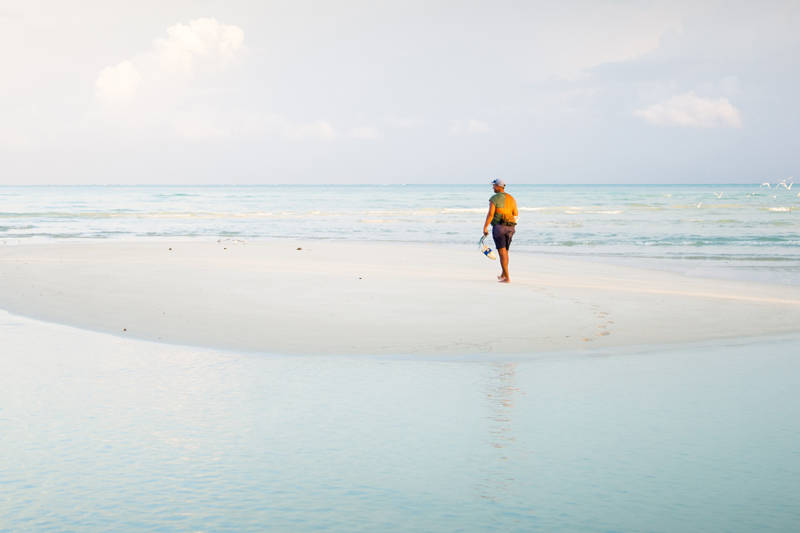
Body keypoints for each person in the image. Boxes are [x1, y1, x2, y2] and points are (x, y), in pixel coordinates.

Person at [482, 178, 518, 283]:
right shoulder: (511, 198)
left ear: (498, 186)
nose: (493, 187)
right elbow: (515, 213)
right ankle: (503, 274)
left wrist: (485, 227)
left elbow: (491, 214)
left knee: (502, 252)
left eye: (494, 186)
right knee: (505, 252)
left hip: (500, 228)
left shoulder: (494, 198)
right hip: (511, 228)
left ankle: (507, 277)